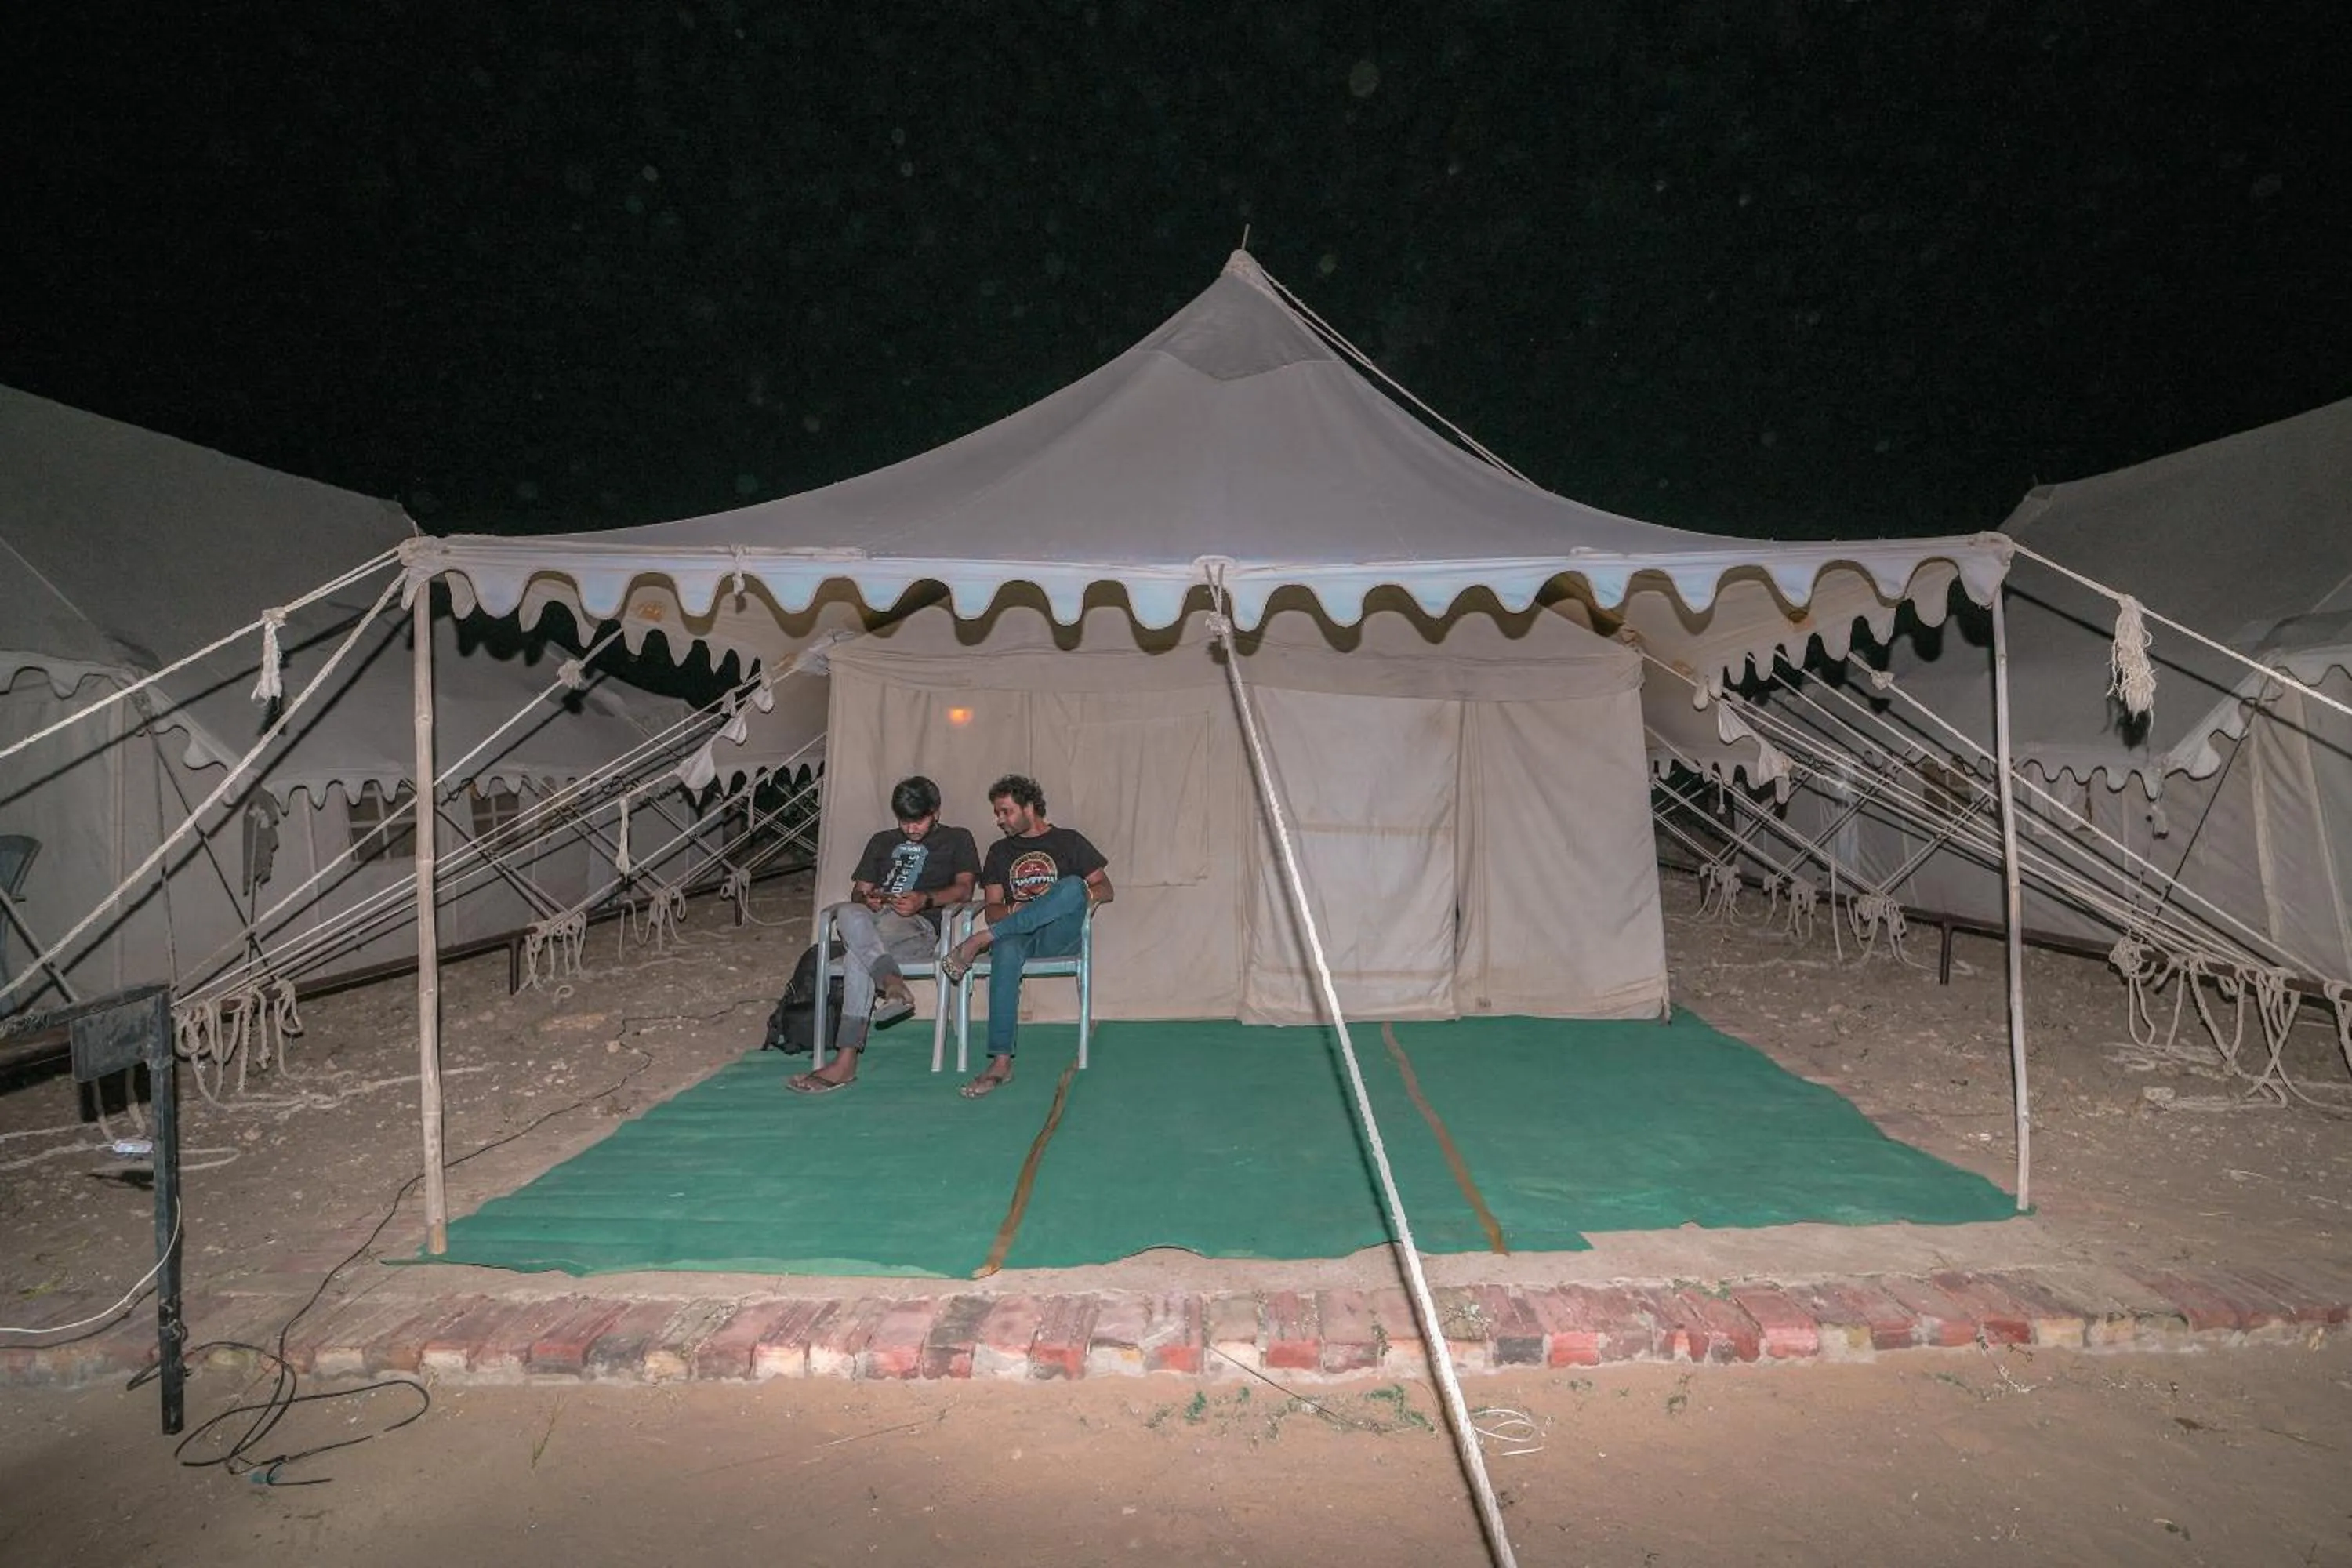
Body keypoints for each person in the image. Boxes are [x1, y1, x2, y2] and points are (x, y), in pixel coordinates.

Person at [786, 775, 978, 1094]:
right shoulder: (881, 840)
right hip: (874, 925)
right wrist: (869, 898)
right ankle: (890, 982)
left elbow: (965, 889)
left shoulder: (957, 839)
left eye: (919, 821)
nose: (911, 828)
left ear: (937, 813)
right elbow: (858, 893)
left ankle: (845, 1060)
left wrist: (924, 900)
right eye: (905, 821)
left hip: (917, 928)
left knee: (857, 955)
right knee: (849, 911)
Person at [940, 773, 1112, 1098]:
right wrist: (1016, 910)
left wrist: (1057, 899)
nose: (1000, 820)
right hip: (1017, 934)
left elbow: (1106, 888)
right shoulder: (999, 852)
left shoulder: (1069, 841)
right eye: (997, 813)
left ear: (1030, 807)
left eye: (1006, 812)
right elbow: (992, 909)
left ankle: (979, 941)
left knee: (1073, 886)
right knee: (1005, 950)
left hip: (1058, 935)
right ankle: (1000, 1063)